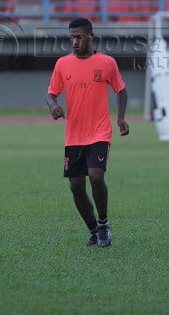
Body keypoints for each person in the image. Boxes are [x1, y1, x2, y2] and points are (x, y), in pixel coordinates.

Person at [47, 18, 129, 248]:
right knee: (75, 186)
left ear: (91, 36)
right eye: (72, 37)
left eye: (80, 37)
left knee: (96, 176)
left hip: (99, 132)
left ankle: (103, 224)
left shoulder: (107, 62)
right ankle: (94, 229)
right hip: (74, 135)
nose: (75, 41)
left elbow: (121, 90)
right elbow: (51, 93)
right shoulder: (62, 64)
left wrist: (120, 117)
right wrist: (53, 106)